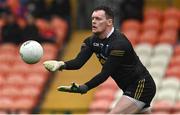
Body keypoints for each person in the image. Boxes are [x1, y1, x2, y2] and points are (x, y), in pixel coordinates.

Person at [43, 6, 156, 114]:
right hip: (128, 87)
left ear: (109, 22)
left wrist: (84, 87)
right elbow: (78, 63)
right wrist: (60, 64)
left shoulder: (119, 44)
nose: (93, 21)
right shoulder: (90, 41)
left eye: (98, 19)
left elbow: (104, 74)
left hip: (141, 85)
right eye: (92, 18)